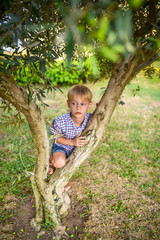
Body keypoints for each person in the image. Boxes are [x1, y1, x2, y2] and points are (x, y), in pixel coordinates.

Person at [48, 85, 92, 175]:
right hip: (62, 146)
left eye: (83, 104)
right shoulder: (60, 121)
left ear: (89, 105)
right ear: (68, 104)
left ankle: (63, 173)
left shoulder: (90, 118)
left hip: (75, 149)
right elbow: (55, 137)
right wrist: (72, 142)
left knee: (71, 163)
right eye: (74, 103)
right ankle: (51, 160)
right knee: (59, 162)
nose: (78, 108)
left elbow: (101, 116)